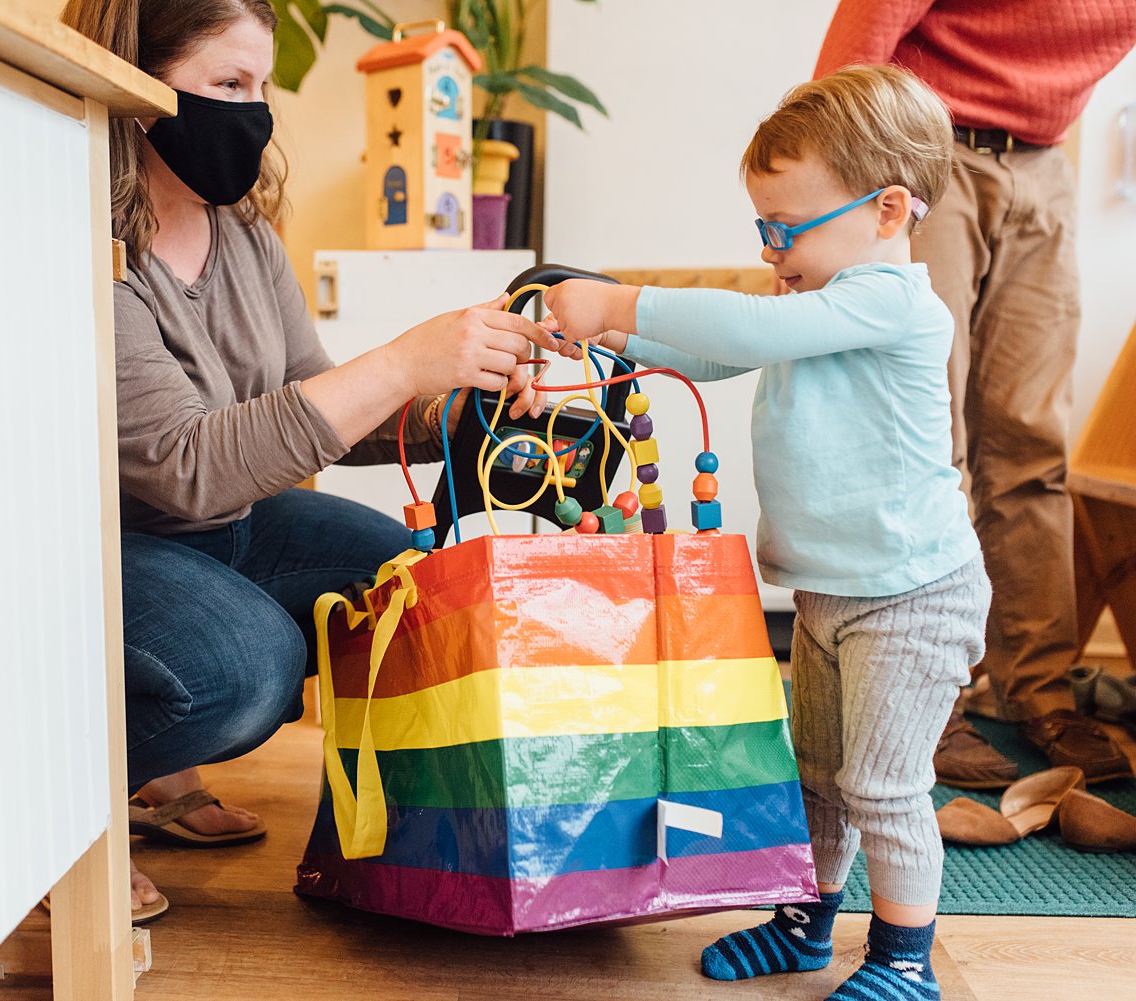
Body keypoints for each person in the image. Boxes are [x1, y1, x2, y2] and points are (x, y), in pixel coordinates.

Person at [62, 0, 545, 920]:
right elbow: (185, 465)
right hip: (112, 546)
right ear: (134, 83)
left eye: (264, 87)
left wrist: (460, 404)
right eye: (228, 85)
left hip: (225, 531)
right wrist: (402, 358)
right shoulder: (87, 245)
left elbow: (322, 405)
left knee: (416, 584)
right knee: (251, 671)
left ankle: (162, 778)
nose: (256, 111)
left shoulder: (242, 232)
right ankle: (61, 818)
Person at [533, 66, 986, 999]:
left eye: (787, 228)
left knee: (884, 786)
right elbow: (715, 349)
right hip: (828, 592)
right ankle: (803, 921)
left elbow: (732, 328)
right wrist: (619, 341)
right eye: (762, 227)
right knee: (815, 776)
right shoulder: (810, 311)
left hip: (912, 596)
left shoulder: (893, 302)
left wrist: (619, 304)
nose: (773, 248)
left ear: (888, 210)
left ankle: (905, 959)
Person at [814, 0, 1136, 788]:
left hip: (1043, 166)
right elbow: (864, 28)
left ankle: (1036, 693)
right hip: (919, 154)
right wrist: (822, 197)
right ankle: (923, 702)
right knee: (924, 444)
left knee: (1033, 446)